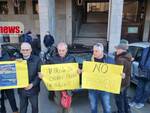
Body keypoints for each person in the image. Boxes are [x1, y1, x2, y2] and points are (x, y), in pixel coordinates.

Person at [40, 42, 76, 113]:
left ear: (66, 49)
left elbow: (74, 71)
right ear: (57, 50)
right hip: (57, 86)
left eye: (63, 50)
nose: (61, 52)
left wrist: (78, 71)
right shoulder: (52, 59)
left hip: (68, 86)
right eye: (59, 50)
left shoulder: (71, 58)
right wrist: (42, 74)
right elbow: (46, 69)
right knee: (59, 104)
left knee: (67, 105)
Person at [88, 43, 113, 113]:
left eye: (96, 51)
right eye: (93, 51)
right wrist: (80, 71)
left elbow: (114, 73)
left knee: (107, 108)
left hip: (104, 88)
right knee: (93, 108)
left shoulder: (110, 60)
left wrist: (121, 75)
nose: (94, 53)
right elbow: (85, 71)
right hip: (92, 88)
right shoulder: (89, 59)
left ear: (102, 51)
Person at [18, 42, 42, 113]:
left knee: (34, 108)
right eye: (23, 50)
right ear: (20, 50)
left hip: (33, 89)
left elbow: (40, 75)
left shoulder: (37, 60)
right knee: (22, 108)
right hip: (22, 90)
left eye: (27, 50)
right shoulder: (17, 60)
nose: (25, 51)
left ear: (31, 50)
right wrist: (15, 64)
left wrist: (32, 84)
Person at [114, 39, 132, 113]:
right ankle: (127, 111)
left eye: (117, 49)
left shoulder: (120, 60)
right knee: (124, 98)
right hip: (126, 82)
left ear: (121, 50)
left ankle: (120, 111)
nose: (116, 51)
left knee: (119, 100)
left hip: (120, 84)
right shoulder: (128, 56)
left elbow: (117, 73)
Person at [0, 45, 19, 113]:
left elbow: (17, 56)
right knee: (1, 99)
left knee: (11, 97)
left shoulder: (8, 52)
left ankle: (15, 110)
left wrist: (16, 60)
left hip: (8, 80)